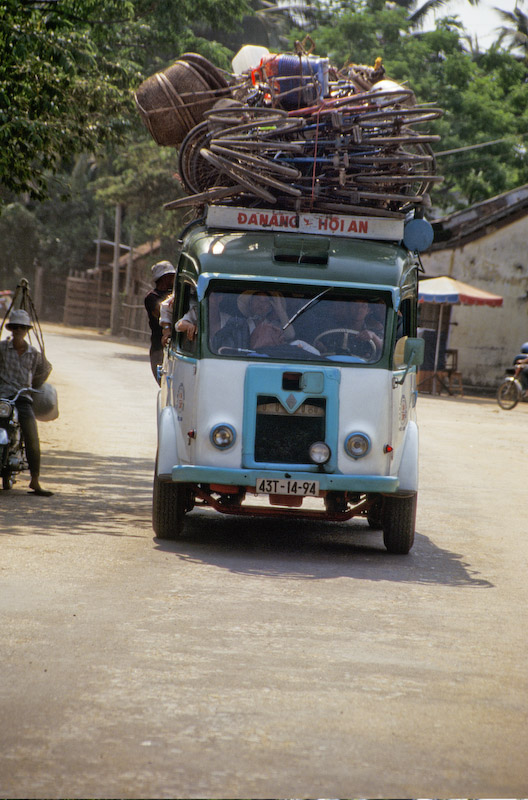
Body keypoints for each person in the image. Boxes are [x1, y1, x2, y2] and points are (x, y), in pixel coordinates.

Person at [0, 309, 53, 496]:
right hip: (3, 397)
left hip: (22, 398)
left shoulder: (34, 354)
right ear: (11, 329)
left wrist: (33, 385)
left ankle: (35, 480)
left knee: (32, 435)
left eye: (22, 327)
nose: (19, 330)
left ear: (27, 330)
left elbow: (46, 369)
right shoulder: (2, 348)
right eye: (15, 327)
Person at [144, 261, 175, 382]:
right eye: (170, 275)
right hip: (158, 347)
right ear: (164, 278)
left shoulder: (175, 295)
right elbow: (161, 311)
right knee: (164, 382)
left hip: (174, 347)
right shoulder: (151, 297)